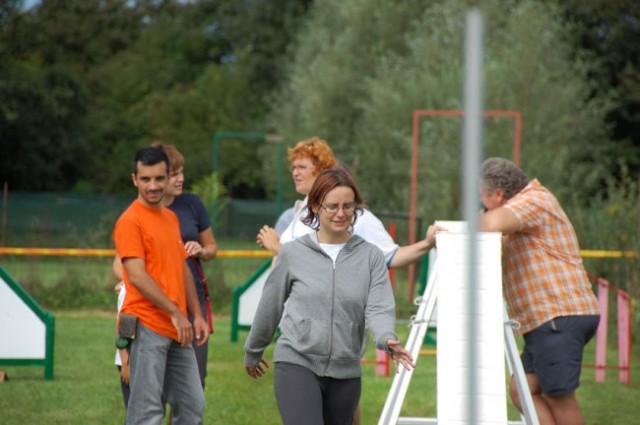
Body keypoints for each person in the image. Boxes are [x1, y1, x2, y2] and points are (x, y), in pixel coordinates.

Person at [256, 137, 440, 424]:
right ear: (317, 206)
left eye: (302, 166)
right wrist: (254, 347)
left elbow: (388, 267)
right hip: (297, 348)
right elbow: (281, 283)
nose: (295, 172)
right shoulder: (298, 215)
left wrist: (426, 245)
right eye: (293, 167)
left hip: (344, 357)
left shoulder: (360, 223)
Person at [478, 157, 600, 425]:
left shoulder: (534, 200)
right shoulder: (523, 210)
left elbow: (489, 224)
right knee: (522, 390)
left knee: (559, 397)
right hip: (546, 319)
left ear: (498, 194)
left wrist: (481, 218)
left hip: (557, 314)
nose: (481, 206)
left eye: (482, 198)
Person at [113, 146, 209, 424]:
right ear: (134, 179)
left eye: (159, 178)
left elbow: (181, 267)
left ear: (168, 177)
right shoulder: (130, 221)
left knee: (192, 407)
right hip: (147, 326)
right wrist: (176, 313)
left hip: (178, 328)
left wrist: (197, 314)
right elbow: (138, 276)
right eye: (145, 179)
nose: (153, 186)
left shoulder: (170, 218)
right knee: (147, 412)